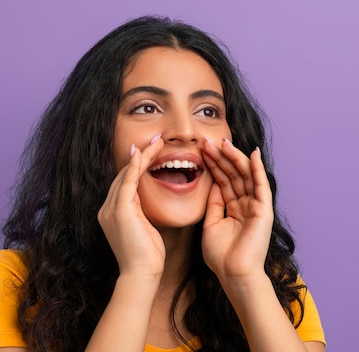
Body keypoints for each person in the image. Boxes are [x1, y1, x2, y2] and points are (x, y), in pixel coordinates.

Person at [0, 16, 325, 352]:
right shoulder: (11, 286)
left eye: (208, 111)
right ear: (95, 139)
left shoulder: (273, 286)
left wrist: (244, 278)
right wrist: (138, 276)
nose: (185, 130)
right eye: (147, 107)